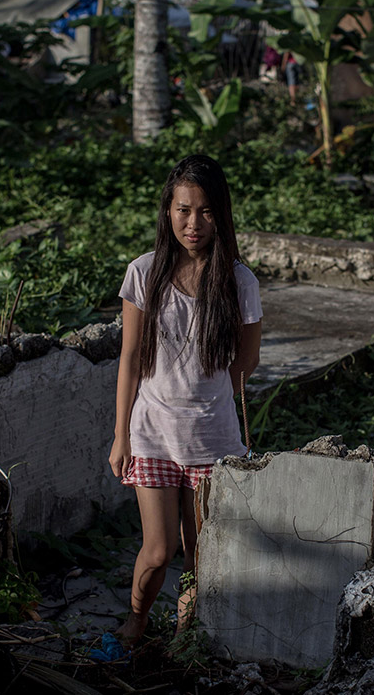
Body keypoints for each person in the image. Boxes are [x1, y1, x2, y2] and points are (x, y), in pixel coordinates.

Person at [109, 154, 263, 645]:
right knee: (158, 552)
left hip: (212, 441)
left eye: (205, 212)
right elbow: (130, 358)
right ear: (167, 212)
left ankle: (184, 637)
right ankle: (136, 620)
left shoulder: (240, 283)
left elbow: (245, 363)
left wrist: (203, 394)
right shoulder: (143, 273)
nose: (193, 223)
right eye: (182, 210)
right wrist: (120, 437)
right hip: (150, 434)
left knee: (200, 554)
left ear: (221, 215)